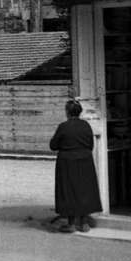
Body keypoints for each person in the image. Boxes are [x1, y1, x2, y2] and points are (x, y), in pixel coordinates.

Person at [49, 99, 103, 233]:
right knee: (84, 190)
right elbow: (90, 145)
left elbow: (53, 145)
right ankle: (84, 223)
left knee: (69, 190)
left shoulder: (64, 126)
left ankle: (71, 223)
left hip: (67, 161)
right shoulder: (86, 126)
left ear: (67, 112)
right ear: (80, 112)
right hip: (85, 160)